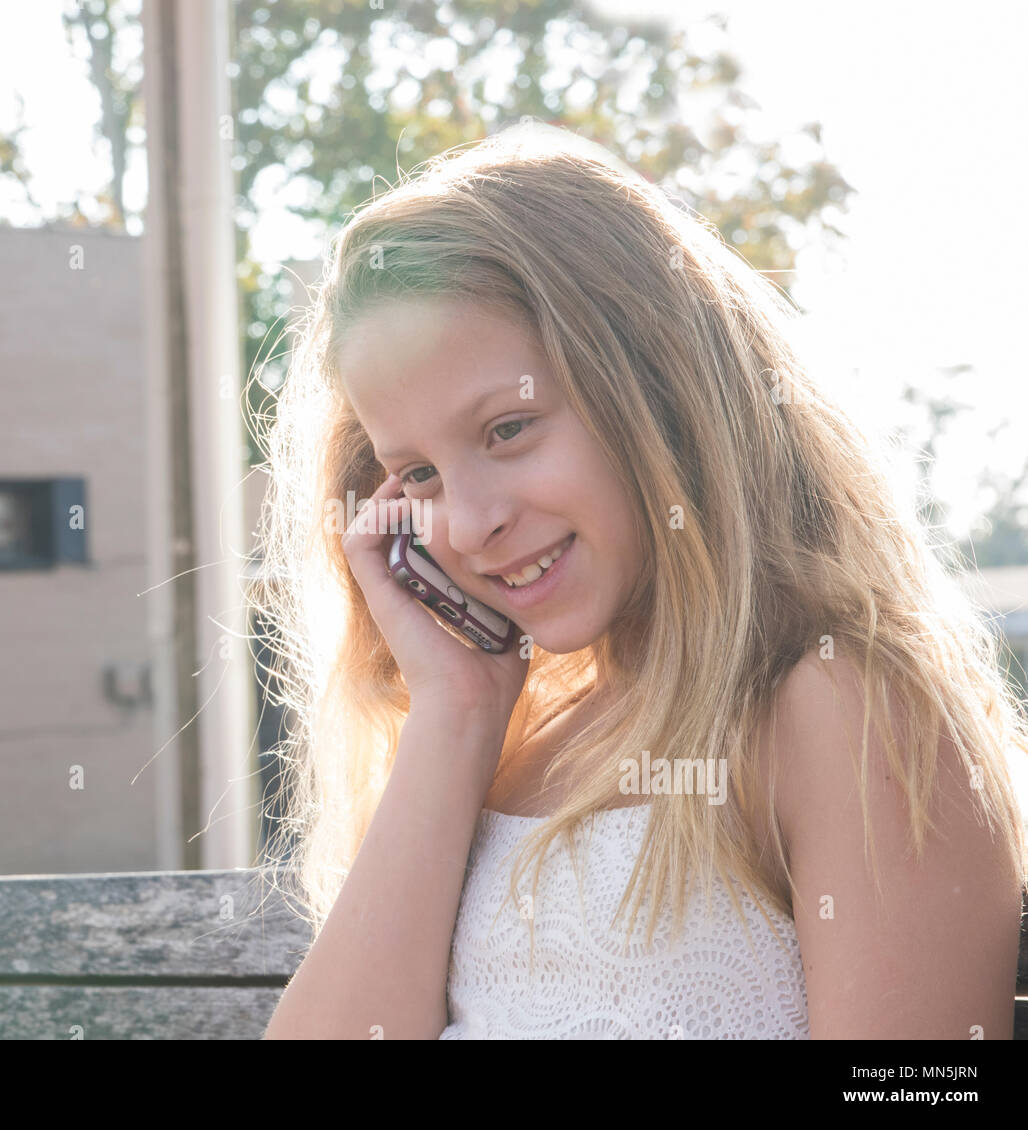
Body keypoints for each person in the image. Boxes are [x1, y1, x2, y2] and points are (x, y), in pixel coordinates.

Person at [252, 122, 1028, 1039]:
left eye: (508, 429)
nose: (468, 521)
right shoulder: (506, 741)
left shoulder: (838, 705)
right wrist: (455, 710)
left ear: (659, 387)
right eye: (417, 474)